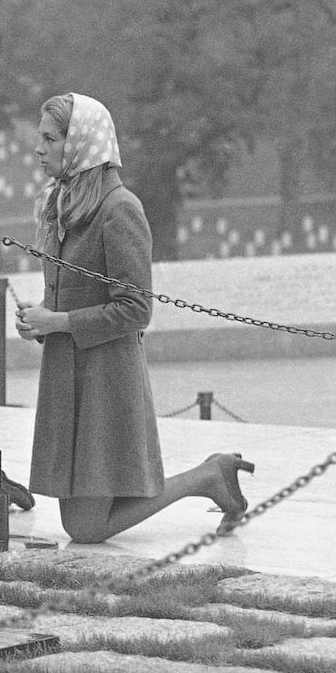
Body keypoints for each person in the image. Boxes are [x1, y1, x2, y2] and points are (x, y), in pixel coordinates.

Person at [16, 93, 251, 543]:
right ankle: (211, 475)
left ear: (81, 142)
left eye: (49, 138)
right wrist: (40, 321)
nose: (39, 149)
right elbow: (71, 296)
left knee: (85, 527)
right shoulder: (60, 206)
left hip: (106, 379)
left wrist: (57, 323)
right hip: (68, 374)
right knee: (80, 522)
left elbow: (136, 309)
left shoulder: (119, 208)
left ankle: (207, 477)